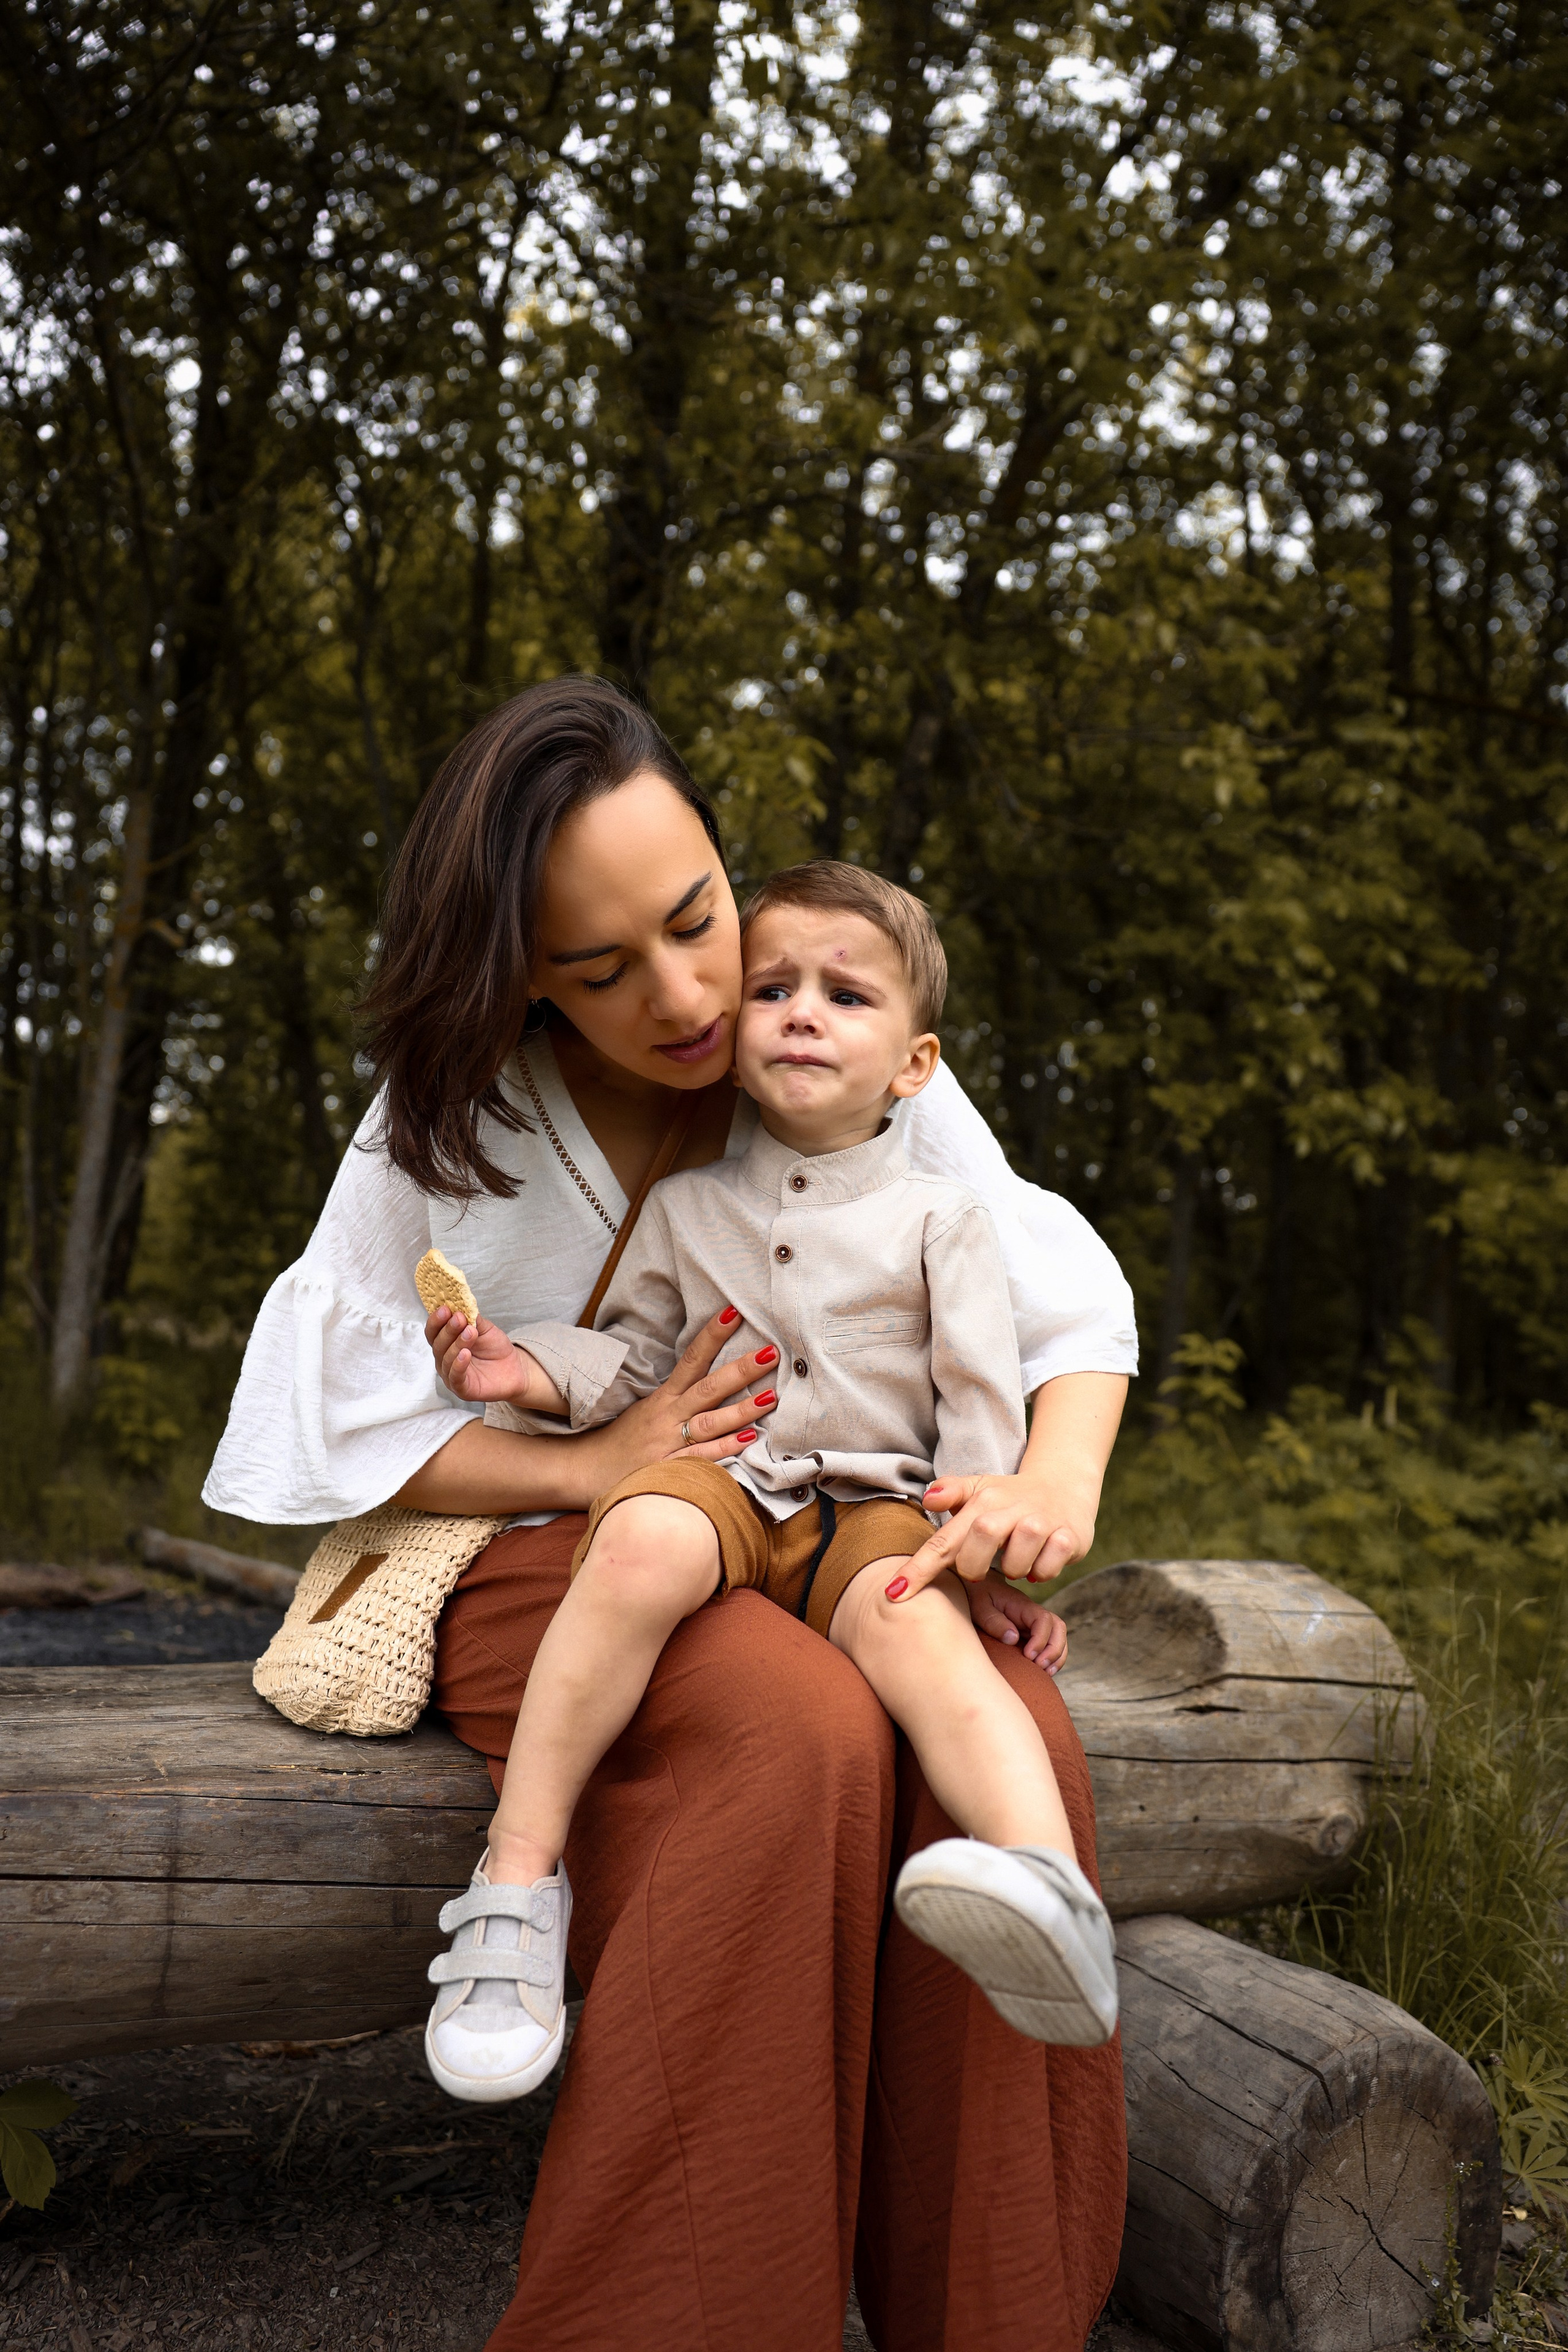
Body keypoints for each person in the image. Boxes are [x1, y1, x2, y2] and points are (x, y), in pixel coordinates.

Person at [204, 675, 1137, 2352]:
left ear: (724, 857)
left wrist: (1039, 1488)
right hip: (535, 1556)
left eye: (697, 918)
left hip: (832, 1515)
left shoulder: (832, 1022)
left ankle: (996, 2319)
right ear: (521, 981)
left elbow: (1063, 1312)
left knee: (1007, 1746)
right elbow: (330, 1423)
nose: (693, 993)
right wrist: (589, 1458)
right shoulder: (451, 1111)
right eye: (603, 968)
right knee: (792, 1741)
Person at [419, 862, 1116, 2106]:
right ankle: (516, 1881)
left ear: (913, 1065)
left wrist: (980, 1548)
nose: (800, 1010)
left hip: (879, 1500)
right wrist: (523, 1369)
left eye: (845, 996)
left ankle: (1042, 1886)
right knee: (635, 1547)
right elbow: (632, 1357)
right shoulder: (686, 1209)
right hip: (726, 1479)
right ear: (733, 1036)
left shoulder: (939, 1218)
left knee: (921, 1636)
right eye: (775, 987)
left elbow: (978, 1398)